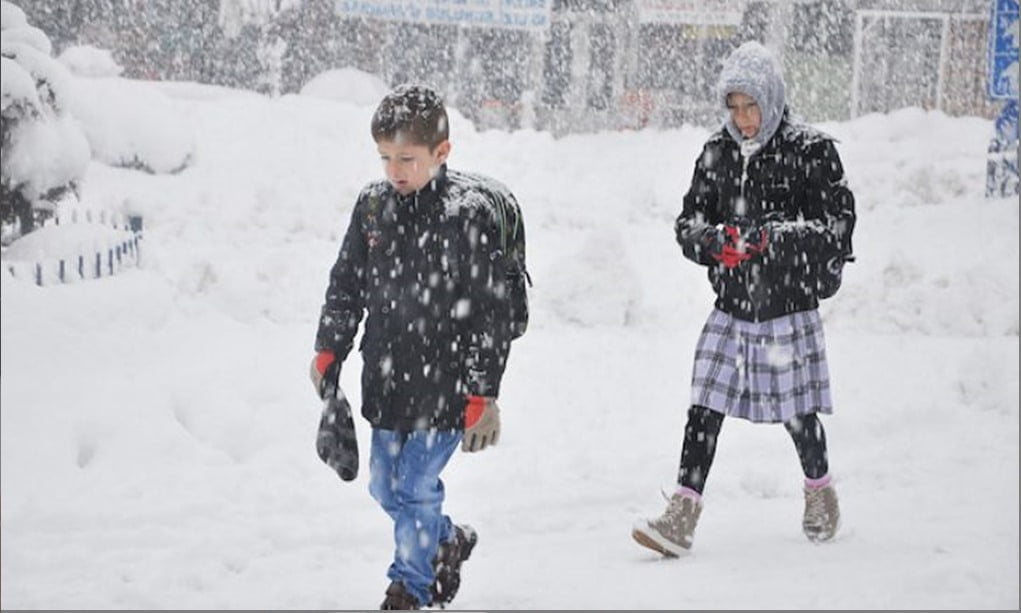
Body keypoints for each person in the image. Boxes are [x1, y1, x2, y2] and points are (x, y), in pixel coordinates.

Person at [631, 41, 856, 556]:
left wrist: (771, 238)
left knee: (797, 412)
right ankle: (682, 514)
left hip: (787, 307)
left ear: (773, 99)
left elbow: (836, 229)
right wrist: (714, 241)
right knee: (704, 406)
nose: (742, 118)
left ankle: (820, 492)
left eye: (751, 106)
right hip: (732, 306)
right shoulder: (717, 151)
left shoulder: (811, 151)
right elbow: (688, 222)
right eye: (733, 107)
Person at [310, 84, 527, 609]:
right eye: (386, 157)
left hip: (446, 384)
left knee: (414, 485)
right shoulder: (371, 208)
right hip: (387, 378)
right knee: (384, 488)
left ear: (441, 153)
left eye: (407, 158)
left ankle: (410, 585)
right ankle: (445, 539)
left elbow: (489, 313)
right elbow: (346, 284)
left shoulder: (465, 216)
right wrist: (329, 348)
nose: (395, 171)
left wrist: (481, 393)